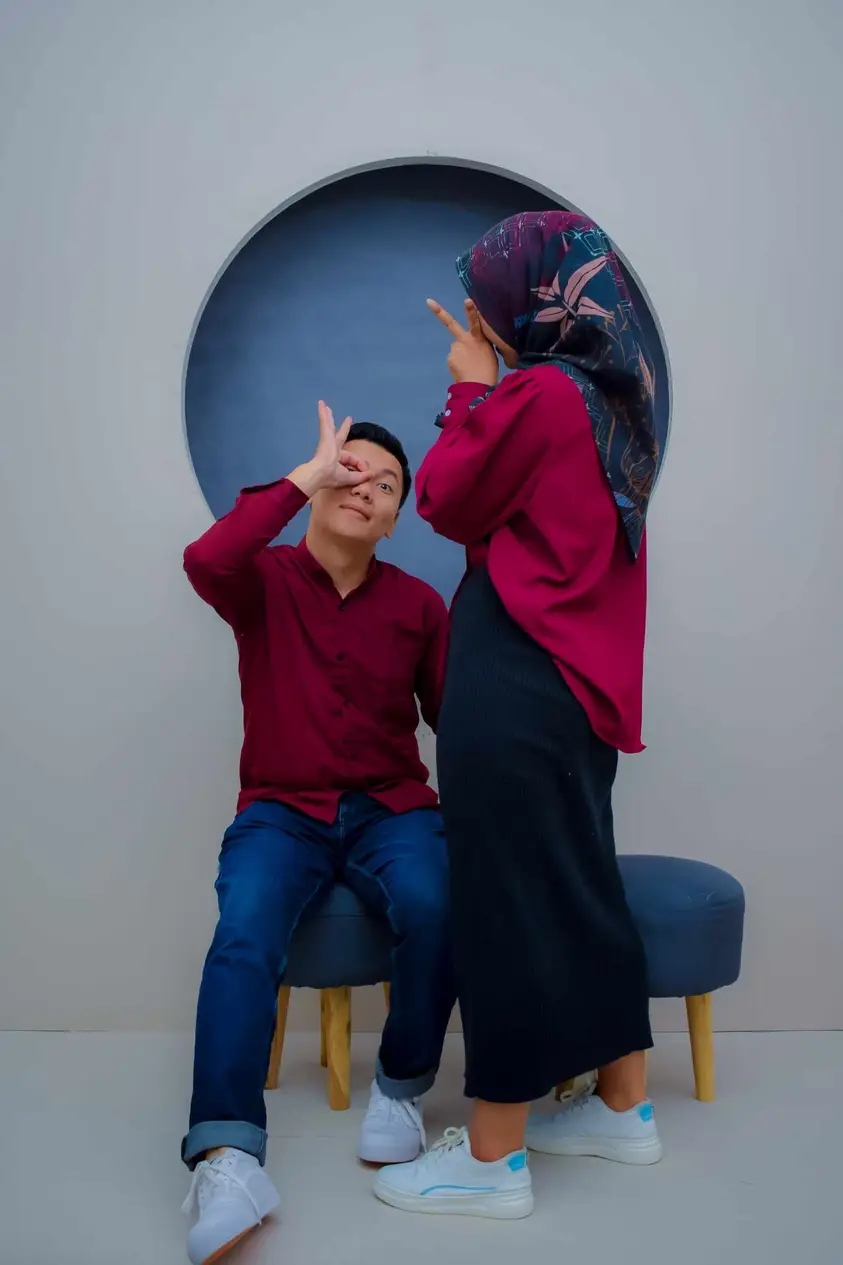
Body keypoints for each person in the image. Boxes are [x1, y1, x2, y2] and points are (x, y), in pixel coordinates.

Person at [373, 210, 664, 1220]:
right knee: (583, 888)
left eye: (489, 299)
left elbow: (447, 498)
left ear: (532, 303)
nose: (482, 316)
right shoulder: (615, 407)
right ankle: (623, 1108)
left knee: (500, 906)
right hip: (581, 690)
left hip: (516, 679)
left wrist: (470, 384)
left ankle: (491, 1157)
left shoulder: (538, 394)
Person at [180, 404, 455, 1263]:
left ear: (397, 517)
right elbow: (204, 558)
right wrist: (307, 473)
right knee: (242, 930)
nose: (364, 489)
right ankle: (227, 1157)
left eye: (386, 486)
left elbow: (453, 722)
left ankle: (400, 1088)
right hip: (279, 809)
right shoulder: (259, 579)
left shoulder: (418, 605)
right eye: (351, 471)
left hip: (390, 807)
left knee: (436, 901)